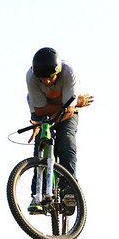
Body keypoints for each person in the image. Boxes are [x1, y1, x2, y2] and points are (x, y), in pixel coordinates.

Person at [26, 47, 93, 213]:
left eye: (50, 78)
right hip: (45, 110)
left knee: (66, 139)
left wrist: (68, 106)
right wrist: (73, 102)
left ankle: (69, 189)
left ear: (58, 71)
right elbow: (40, 111)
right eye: (43, 79)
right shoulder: (31, 76)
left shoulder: (69, 73)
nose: (47, 82)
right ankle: (38, 193)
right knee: (41, 143)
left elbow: (68, 110)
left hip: (67, 112)